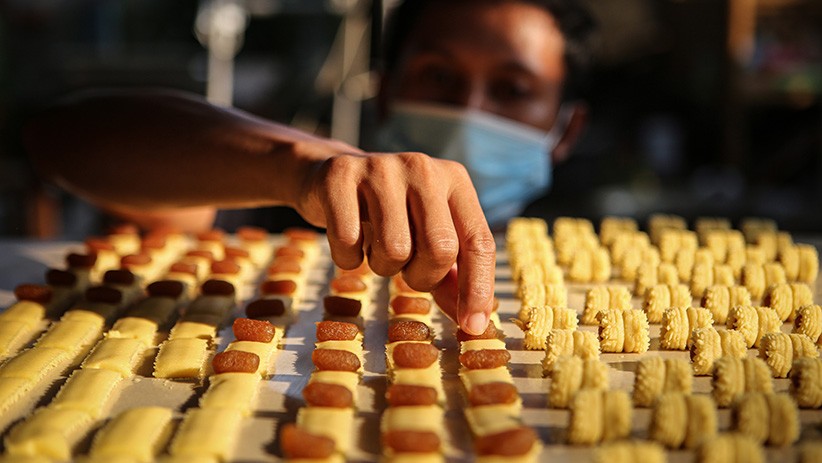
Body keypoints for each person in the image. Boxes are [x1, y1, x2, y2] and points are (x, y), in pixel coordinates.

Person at [23, 0, 594, 335]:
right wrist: (300, 168)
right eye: (439, 78)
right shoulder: (281, 203)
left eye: (513, 89)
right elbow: (63, 138)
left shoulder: (590, 262)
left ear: (566, 130)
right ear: (387, 95)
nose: (470, 112)